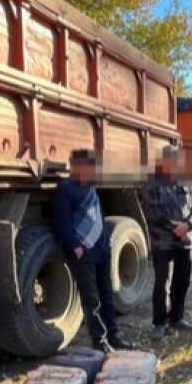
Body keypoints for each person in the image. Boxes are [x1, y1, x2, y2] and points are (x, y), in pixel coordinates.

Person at [52, 148, 134, 353]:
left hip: (102, 248)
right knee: (91, 298)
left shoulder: (91, 187)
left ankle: (114, 336)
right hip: (84, 251)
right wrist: (75, 246)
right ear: (77, 167)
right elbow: (62, 223)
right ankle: (99, 340)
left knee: (107, 294)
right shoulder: (65, 189)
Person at [141, 147, 192, 340]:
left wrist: (188, 226)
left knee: (182, 281)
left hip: (186, 242)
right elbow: (153, 212)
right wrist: (177, 229)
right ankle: (159, 323)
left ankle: (177, 317)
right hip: (164, 242)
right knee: (162, 284)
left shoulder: (186, 182)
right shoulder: (151, 182)